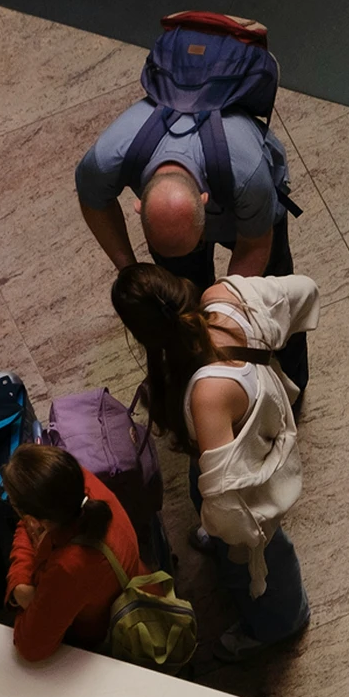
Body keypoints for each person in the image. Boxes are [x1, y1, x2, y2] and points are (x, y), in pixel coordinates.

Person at [111, 264, 317, 661]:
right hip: (248, 433)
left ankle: (283, 621)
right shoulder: (224, 296)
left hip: (248, 482)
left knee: (259, 549)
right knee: (210, 509)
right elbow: (303, 289)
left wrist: (227, 535)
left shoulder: (208, 395)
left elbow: (226, 501)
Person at [76, 99, 309, 396]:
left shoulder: (248, 176)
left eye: (194, 243)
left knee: (272, 295)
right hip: (200, 201)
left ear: (204, 201)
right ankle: (191, 375)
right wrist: (131, 270)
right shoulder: (106, 159)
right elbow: (93, 201)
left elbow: (254, 244)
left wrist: (225, 311)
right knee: (179, 295)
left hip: (252, 210)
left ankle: (293, 384)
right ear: (139, 207)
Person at [2, 445, 148, 662]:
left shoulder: (69, 567)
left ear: (34, 519)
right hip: (131, 585)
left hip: (100, 640)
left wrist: (20, 588)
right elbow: (27, 528)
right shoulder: (77, 487)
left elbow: (31, 646)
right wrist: (21, 582)